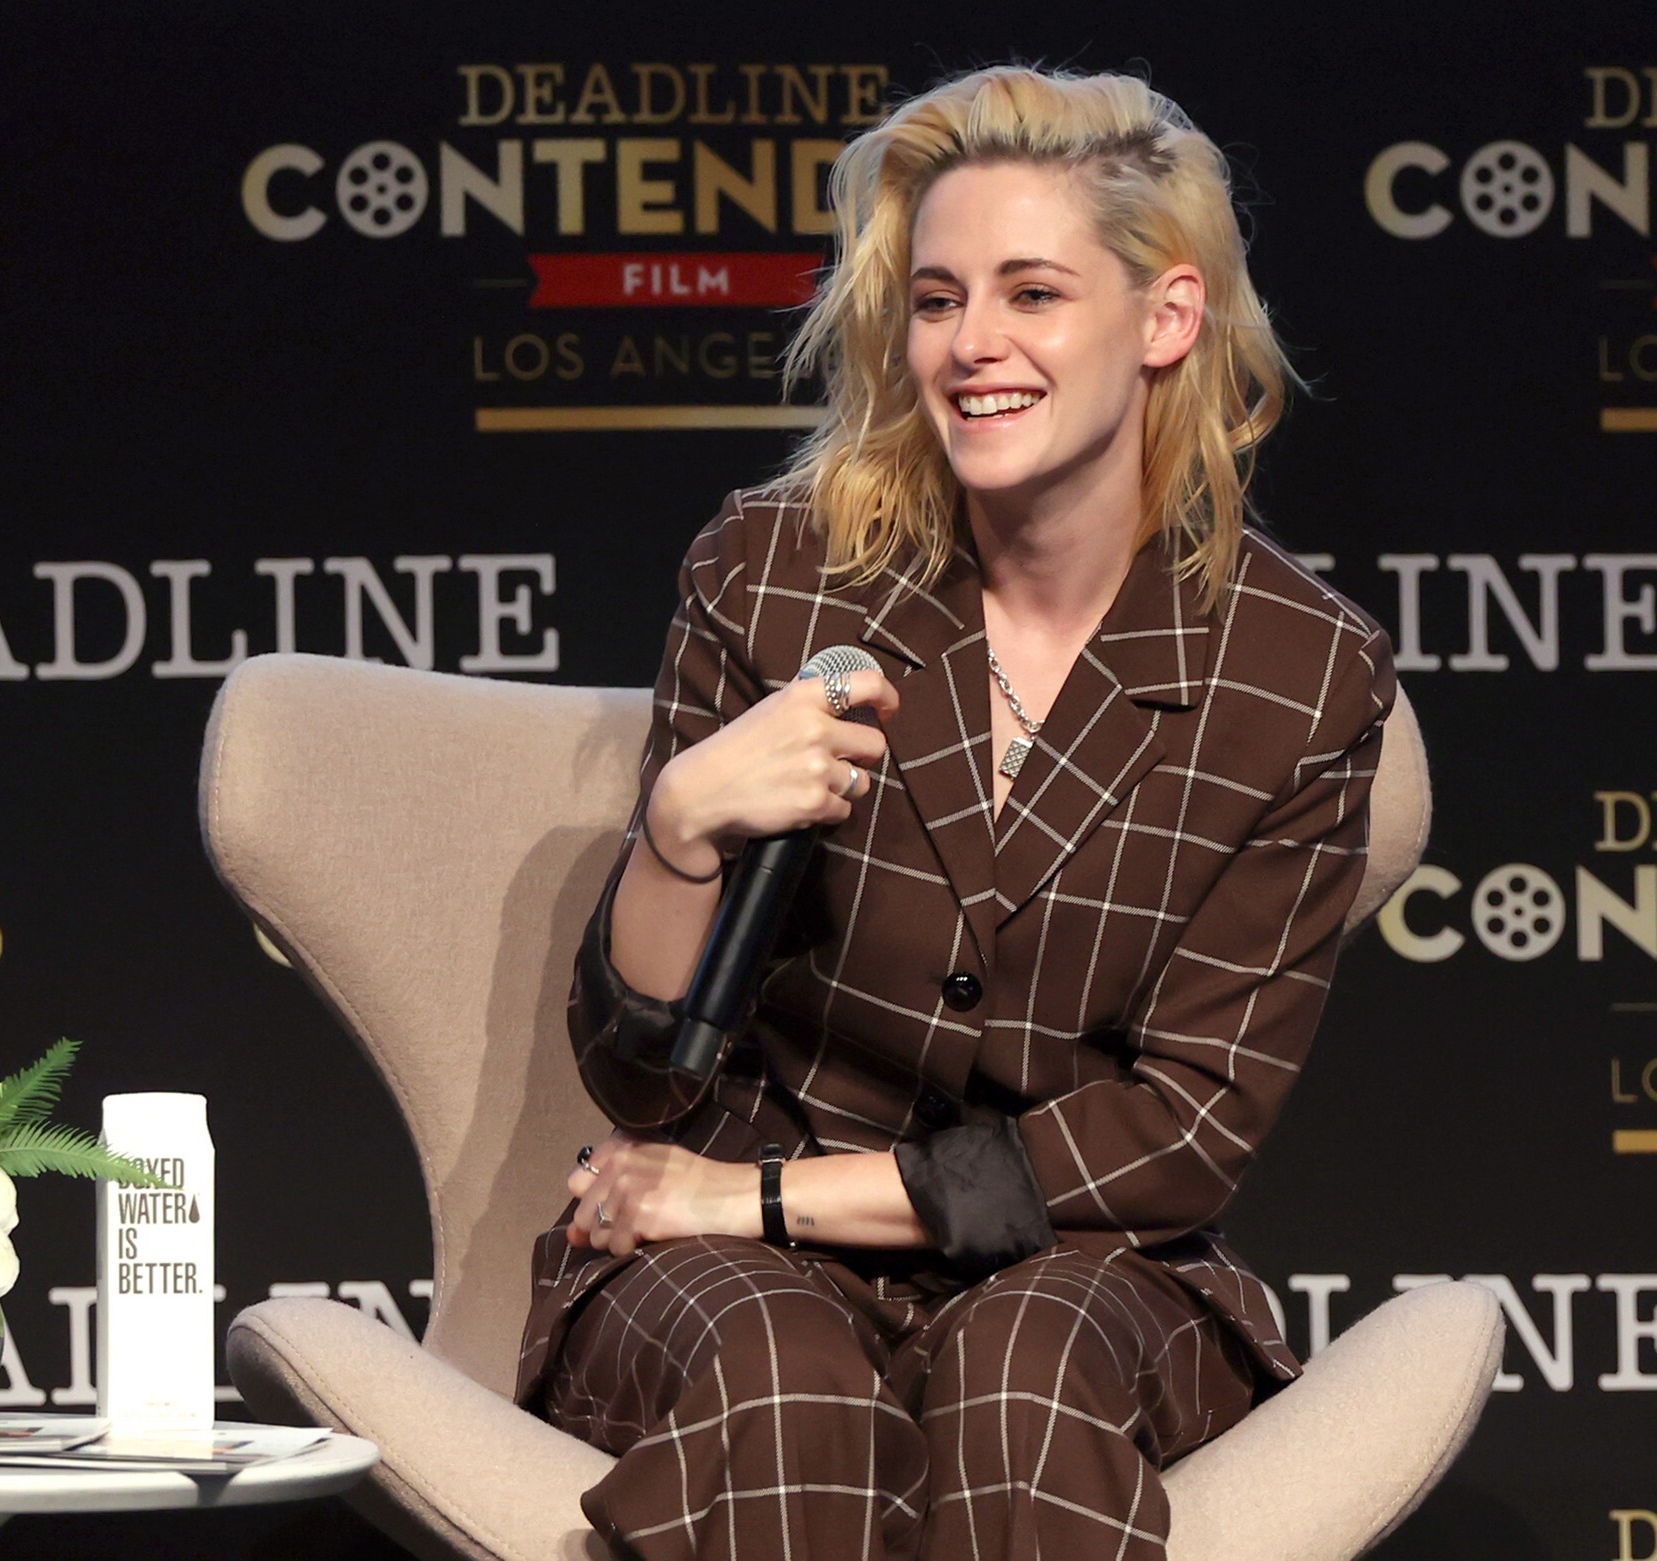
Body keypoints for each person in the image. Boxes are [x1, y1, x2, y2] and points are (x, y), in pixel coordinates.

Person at [513, 63, 1396, 1561]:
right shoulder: (777, 575)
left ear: (1166, 318)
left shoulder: (1296, 674)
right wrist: (679, 829)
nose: (971, 344)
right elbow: (642, 1083)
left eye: (1032, 293)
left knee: (1021, 1383)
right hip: (721, 1265)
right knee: (783, 1380)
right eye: (936, 300)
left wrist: (755, 1199)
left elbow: (1180, 1133)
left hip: (1077, 1256)